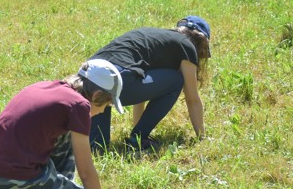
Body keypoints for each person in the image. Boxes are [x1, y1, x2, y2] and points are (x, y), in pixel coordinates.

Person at [0, 60, 132, 189]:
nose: (104, 111)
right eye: (107, 105)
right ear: (96, 96)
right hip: (9, 176)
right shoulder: (80, 106)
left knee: (67, 134)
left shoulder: (50, 88)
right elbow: (86, 172)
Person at [87, 16, 212, 153]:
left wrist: (137, 129)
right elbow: (192, 98)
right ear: (200, 41)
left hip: (88, 77)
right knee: (176, 80)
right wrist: (202, 138)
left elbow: (140, 90)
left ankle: (100, 143)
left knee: (98, 149)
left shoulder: (154, 38)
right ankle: (138, 138)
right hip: (118, 78)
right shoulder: (186, 46)